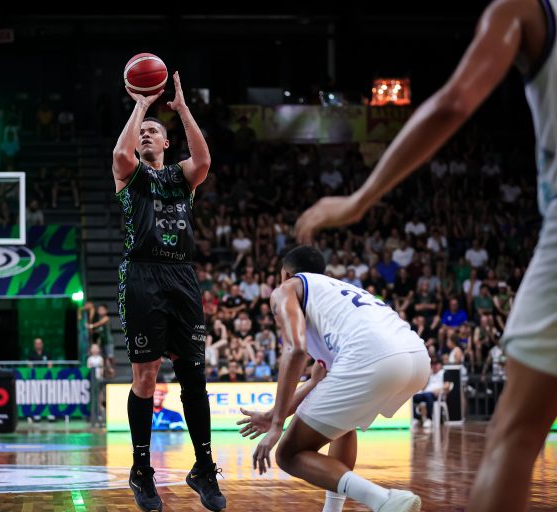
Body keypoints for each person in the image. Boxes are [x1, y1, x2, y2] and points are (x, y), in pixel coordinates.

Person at [294, 2, 557, 509]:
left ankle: (375, 500)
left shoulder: (523, 9)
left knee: (515, 436)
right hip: (402, 353)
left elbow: (455, 101)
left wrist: (358, 200)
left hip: (384, 354)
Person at [239, 246, 429, 512]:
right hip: (417, 358)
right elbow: (316, 382)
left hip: (371, 355)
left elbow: (295, 350)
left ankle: (383, 499)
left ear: (285, 274)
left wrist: (277, 426)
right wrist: (273, 415)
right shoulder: (336, 295)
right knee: (342, 425)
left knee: (288, 454)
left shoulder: (287, 289)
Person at [112, 71, 225, 511]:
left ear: (165, 142)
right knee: (146, 376)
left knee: (194, 375)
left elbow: (204, 158)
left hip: (181, 275)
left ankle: (204, 467)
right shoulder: (130, 174)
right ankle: (142, 471)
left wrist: (181, 109)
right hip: (142, 274)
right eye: (141, 131)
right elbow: (119, 153)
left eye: (152, 131)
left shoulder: (181, 176)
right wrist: (141, 105)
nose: (145, 134)